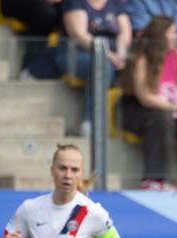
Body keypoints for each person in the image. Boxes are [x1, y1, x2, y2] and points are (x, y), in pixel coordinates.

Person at [118, 15, 177, 190]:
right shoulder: (141, 58)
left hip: (172, 107)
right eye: (172, 32)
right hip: (139, 109)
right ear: (160, 35)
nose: (176, 36)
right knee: (161, 119)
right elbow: (144, 96)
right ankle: (153, 178)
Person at [56, 0, 131, 136]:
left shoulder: (116, 3)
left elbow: (125, 33)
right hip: (77, 53)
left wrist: (121, 55)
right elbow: (79, 35)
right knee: (102, 66)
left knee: (135, 66)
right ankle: (90, 121)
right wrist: (108, 55)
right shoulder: (75, 2)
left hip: (113, 55)